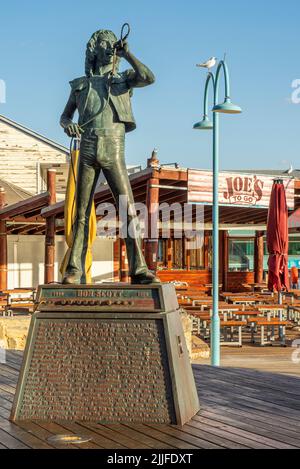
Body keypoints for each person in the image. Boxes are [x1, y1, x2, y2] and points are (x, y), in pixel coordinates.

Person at [60, 28, 159, 285]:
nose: (107, 47)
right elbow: (65, 115)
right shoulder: (80, 85)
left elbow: (148, 77)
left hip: (114, 148)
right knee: (80, 212)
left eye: (110, 44)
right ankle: (74, 269)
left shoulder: (123, 80)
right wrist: (67, 125)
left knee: (127, 209)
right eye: (103, 43)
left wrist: (128, 54)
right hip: (88, 148)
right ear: (94, 50)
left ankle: (138, 269)